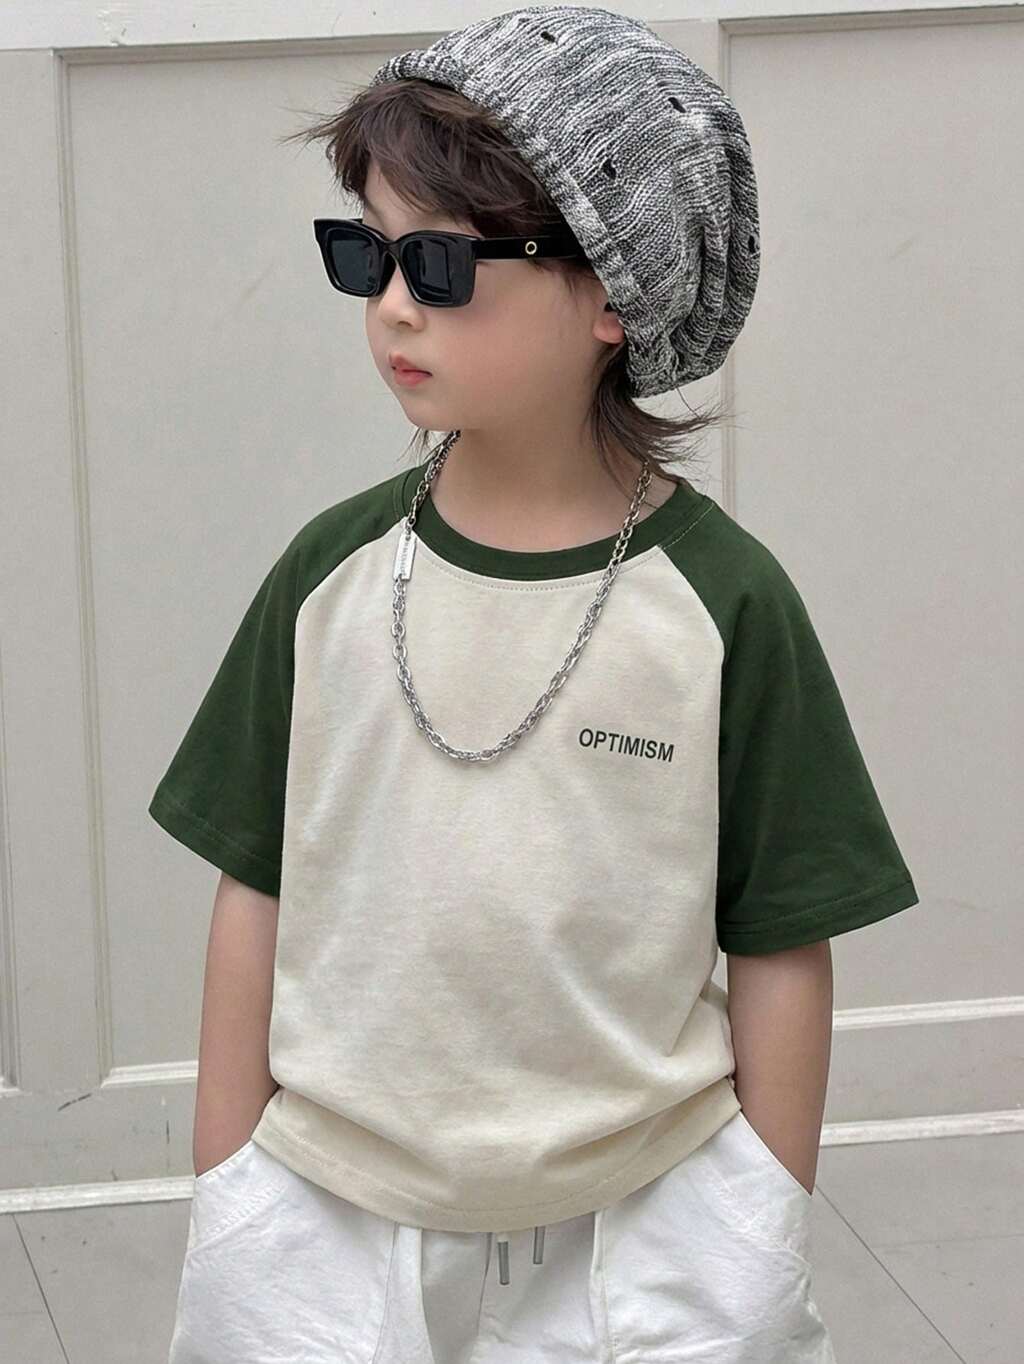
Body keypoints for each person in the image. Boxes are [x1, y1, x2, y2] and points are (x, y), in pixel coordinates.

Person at [150, 7, 920, 1362]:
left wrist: (759, 1222)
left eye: (441, 262)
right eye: (369, 254)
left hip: (650, 1221)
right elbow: (253, 884)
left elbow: (783, 930)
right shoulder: (331, 578)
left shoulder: (724, 605)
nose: (393, 304)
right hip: (325, 1212)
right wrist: (230, 1192)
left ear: (615, 293)